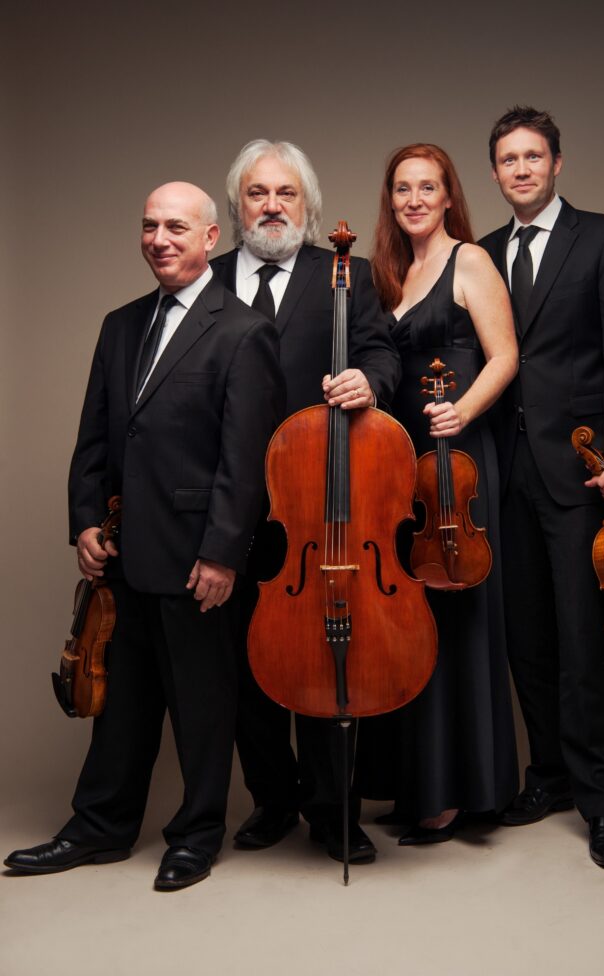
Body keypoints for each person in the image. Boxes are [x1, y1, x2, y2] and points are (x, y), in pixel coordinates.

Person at [4, 182, 285, 890]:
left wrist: (223, 553)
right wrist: (85, 520)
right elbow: (95, 434)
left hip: (197, 558)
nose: (159, 239)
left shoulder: (244, 331)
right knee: (122, 706)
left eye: (176, 228)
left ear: (211, 238)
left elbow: (245, 461)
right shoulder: (120, 323)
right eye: (149, 226)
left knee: (201, 703)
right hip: (123, 552)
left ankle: (195, 834)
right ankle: (99, 826)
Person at [210, 140, 401, 865]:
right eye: (257, 193)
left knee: (326, 657)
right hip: (230, 502)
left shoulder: (341, 274)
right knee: (243, 663)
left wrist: (368, 384)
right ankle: (272, 798)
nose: (271, 206)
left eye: (285, 194)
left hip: (319, 504)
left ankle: (333, 811)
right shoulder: (213, 278)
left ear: (309, 206)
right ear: (236, 208)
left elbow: (383, 354)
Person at [478, 106, 604, 868]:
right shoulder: (481, 253)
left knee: (585, 641)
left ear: (557, 164)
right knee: (527, 640)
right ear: (495, 172)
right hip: (503, 474)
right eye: (508, 159)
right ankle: (547, 774)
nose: (521, 169)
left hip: (581, 468)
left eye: (533, 156)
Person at [354, 143, 519, 844]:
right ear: (390, 201)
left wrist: (465, 412)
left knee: (459, 616)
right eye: (402, 189)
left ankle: (461, 792)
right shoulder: (392, 271)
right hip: (405, 461)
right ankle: (419, 779)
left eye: (428, 187)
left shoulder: (470, 260)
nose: (415, 199)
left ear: (450, 195)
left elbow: (506, 354)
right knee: (409, 620)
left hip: (457, 454)